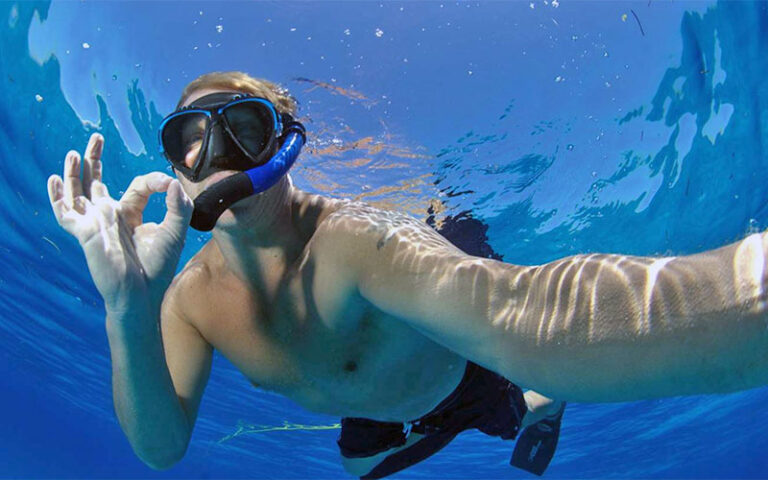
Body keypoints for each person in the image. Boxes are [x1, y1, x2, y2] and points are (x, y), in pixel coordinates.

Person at [47, 71, 768, 477]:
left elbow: (523, 316)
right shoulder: (185, 303)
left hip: (472, 374)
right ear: (176, 165)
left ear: (287, 146)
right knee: (358, 469)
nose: (220, 158)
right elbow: (160, 447)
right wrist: (126, 310)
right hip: (378, 412)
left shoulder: (355, 242)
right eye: (193, 140)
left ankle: (543, 404)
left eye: (245, 129)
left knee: (537, 379)